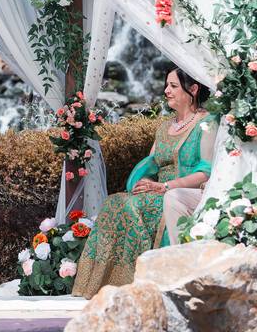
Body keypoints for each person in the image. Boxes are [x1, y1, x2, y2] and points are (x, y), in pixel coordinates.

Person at [72, 67, 218, 297]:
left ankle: (138, 284)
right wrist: (144, 183)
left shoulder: (207, 123)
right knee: (115, 202)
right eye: (167, 85)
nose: (166, 90)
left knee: (130, 206)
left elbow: (205, 172)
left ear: (193, 89)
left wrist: (165, 187)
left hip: (180, 195)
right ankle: (103, 285)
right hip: (156, 190)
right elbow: (152, 164)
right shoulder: (164, 127)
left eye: (173, 86)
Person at [164, 101, 257, 244]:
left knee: (238, 209)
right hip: (222, 188)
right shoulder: (233, 107)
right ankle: (184, 258)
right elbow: (222, 159)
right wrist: (212, 183)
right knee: (174, 198)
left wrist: (252, 190)